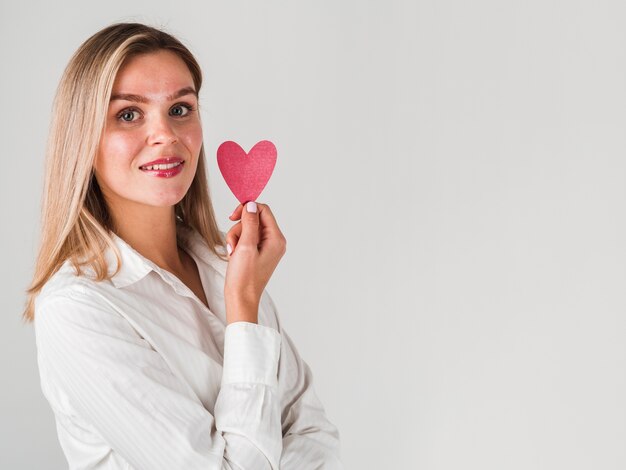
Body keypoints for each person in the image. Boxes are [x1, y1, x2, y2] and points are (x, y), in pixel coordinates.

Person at [23, 22, 342, 469]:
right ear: (83, 139)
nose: (167, 135)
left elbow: (317, 435)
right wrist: (244, 305)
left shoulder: (223, 266)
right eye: (128, 114)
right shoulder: (78, 308)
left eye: (180, 108)